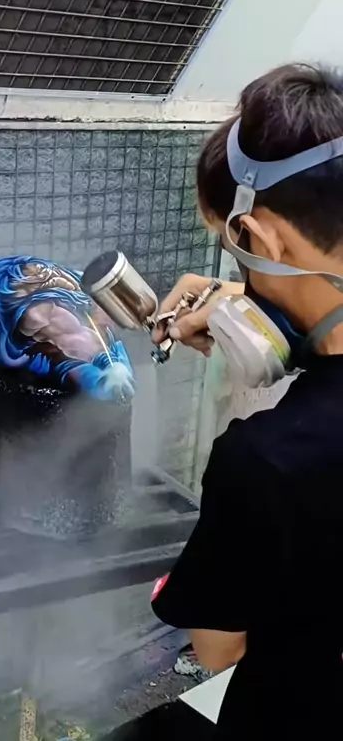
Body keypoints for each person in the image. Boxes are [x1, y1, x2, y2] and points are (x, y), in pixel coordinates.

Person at [151, 64, 343, 739]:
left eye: (239, 256)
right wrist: (242, 296)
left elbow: (218, 649)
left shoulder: (265, 463)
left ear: (262, 239)